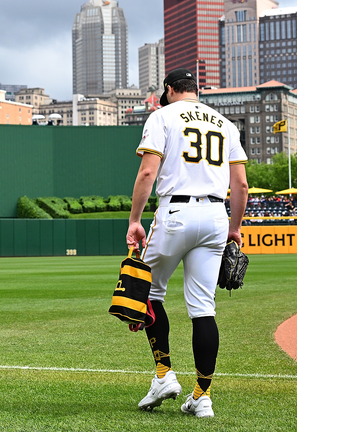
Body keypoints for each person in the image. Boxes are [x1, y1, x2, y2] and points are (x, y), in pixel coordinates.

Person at [126, 68, 249, 418]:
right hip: (214, 215)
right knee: (203, 308)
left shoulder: (162, 115)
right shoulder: (225, 123)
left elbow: (148, 172)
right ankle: (202, 395)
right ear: (196, 90)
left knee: (147, 294)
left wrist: (135, 221)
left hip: (175, 211)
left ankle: (164, 374)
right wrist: (234, 228)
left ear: (169, 90)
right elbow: (239, 185)